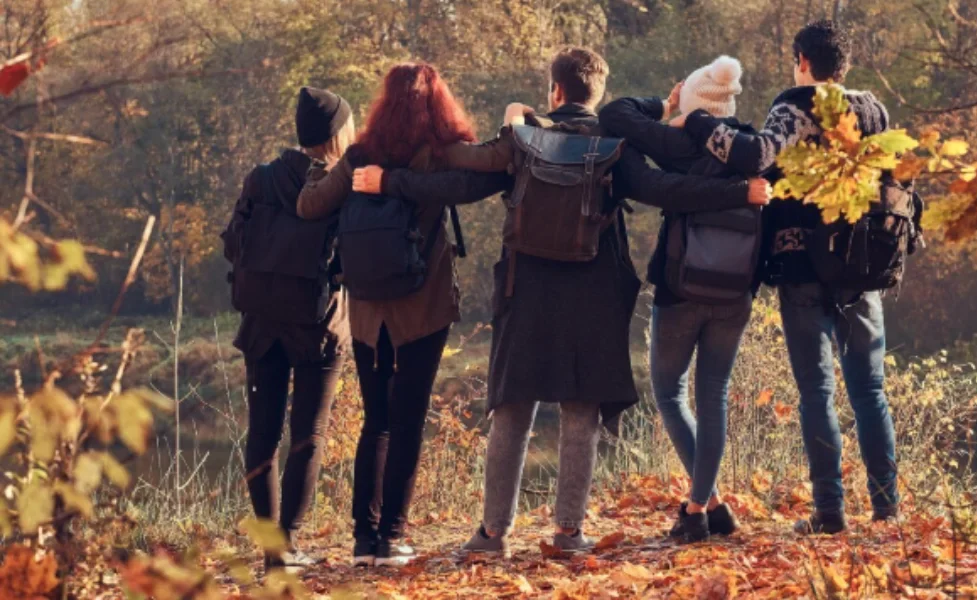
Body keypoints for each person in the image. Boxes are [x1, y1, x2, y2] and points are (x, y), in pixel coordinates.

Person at [351, 47, 771, 556]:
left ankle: (491, 533)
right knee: (580, 412)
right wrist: (737, 192)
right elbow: (670, 190)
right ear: (595, 93)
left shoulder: (526, 141)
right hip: (591, 294)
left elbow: (459, 183)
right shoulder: (615, 146)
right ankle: (569, 533)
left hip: (525, 290)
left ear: (555, 91)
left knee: (512, 409)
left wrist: (393, 176)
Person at [675, 20, 899, 534]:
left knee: (817, 392)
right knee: (870, 391)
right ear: (844, 65)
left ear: (801, 59)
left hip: (803, 265)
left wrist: (695, 122)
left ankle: (829, 513)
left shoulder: (795, 105)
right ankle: (887, 509)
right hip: (862, 268)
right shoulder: (873, 110)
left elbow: (756, 156)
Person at [295, 63, 509, 567]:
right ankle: (391, 537)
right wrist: (514, 126)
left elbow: (309, 208)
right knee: (407, 420)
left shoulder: (358, 157)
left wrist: (343, 171)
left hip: (368, 310)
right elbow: (492, 174)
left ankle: (364, 541)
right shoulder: (440, 155)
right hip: (423, 307)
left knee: (377, 422)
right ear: (438, 104)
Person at [599, 55, 768, 542]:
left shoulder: (680, 143)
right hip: (735, 292)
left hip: (679, 289)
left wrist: (666, 104)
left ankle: (699, 508)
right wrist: (738, 193)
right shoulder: (754, 151)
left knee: (670, 394)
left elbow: (614, 114)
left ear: (696, 106)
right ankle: (706, 503)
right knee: (711, 394)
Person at [221, 87, 354, 571]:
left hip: (260, 324)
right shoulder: (339, 184)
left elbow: (233, 244)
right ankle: (289, 543)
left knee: (262, 432)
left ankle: (271, 551)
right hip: (318, 326)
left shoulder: (260, 178)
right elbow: (351, 253)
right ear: (337, 134)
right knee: (308, 435)